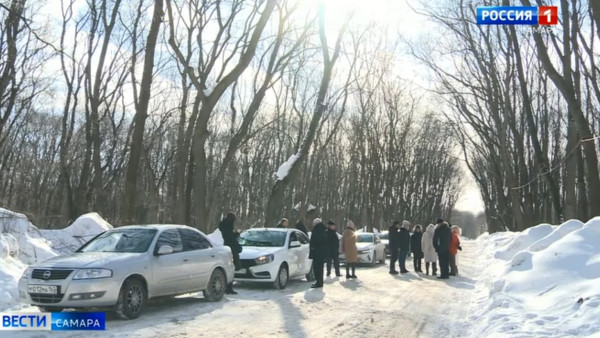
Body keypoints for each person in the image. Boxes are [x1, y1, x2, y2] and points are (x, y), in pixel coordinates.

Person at [218, 212, 242, 294]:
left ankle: (228, 287)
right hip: (230, 249)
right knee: (231, 268)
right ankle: (228, 287)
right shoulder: (228, 226)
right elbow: (230, 238)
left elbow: (228, 237)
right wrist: (237, 235)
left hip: (228, 247)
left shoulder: (225, 226)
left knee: (230, 267)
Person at [309, 218, 327, 288]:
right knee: (320, 268)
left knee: (316, 268)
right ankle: (320, 281)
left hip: (317, 252)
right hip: (322, 252)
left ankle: (318, 282)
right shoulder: (324, 230)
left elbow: (315, 240)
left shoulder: (316, 230)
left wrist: (312, 248)